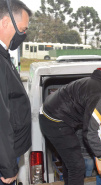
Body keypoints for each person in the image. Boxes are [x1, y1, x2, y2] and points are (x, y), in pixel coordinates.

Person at [39, 67, 101, 185]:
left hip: (58, 114)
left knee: (71, 162)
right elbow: (89, 132)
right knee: (77, 166)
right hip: (54, 120)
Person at [0, 0, 32, 184]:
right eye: (22, 29)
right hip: (5, 159)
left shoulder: (4, 56)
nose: (23, 34)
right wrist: (8, 166)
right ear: (5, 22)